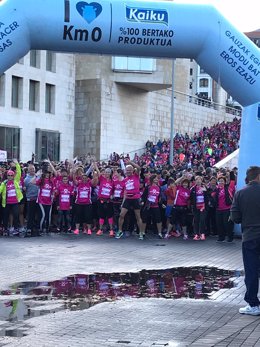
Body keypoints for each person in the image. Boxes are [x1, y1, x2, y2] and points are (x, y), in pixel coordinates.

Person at [230, 166, 260, 316]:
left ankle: (254, 304)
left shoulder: (240, 193)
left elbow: (235, 217)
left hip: (250, 236)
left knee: (252, 270)